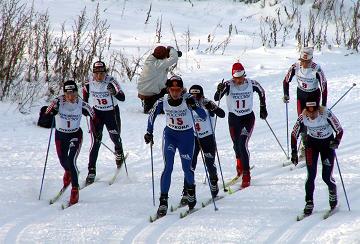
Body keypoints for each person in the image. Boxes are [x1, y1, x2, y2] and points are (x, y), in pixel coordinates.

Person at [144, 75, 206, 217]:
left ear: (182, 90)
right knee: (168, 167)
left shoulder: (188, 99)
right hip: (171, 136)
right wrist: (149, 131)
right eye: (172, 90)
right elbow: (151, 115)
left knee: (187, 168)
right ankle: (163, 201)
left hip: (187, 137)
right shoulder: (163, 100)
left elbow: (203, 116)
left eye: (178, 90)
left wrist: (194, 104)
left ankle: (191, 191)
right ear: (168, 89)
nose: (175, 93)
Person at [214, 62, 267, 188]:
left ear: (244, 75)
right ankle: (240, 167)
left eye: (241, 77)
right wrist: (219, 89)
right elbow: (217, 98)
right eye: (236, 78)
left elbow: (262, 92)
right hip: (234, 119)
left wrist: (263, 107)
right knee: (236, 146)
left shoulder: (251, 83)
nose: (239, 80)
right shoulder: (228, 84)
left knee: (242, 144)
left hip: (247, 118)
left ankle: (246, 174)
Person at [45, 80, 95, 205]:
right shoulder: (58, 101)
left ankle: (75, 189)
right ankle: (69, 172)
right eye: (68, 94)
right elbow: (46, 113)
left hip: (75, 135)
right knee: (63, 161)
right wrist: (52, 111)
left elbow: (93, 115)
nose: (71, 97)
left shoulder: (81, 103)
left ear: (77, 93)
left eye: (73, 94)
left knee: (71, 160)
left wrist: (93, 123)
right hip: (60, 135)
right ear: (64, 94)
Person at [290, 97, 343, 215]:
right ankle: (309, 202)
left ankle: (332, 193)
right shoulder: (303, 117)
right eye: (309, 112)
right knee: (311, 175)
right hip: (312, 145)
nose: (312, 114)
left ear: (318, 109)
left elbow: (339, 129)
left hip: (327, 146)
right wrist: (294, 152)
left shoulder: (326, 114)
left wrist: (336, 141)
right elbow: (294, 134)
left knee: (326, 177)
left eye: (314, 111)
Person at [179, 84, 225, 205]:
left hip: (207, 137)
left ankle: (214, 183)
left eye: (197, 94)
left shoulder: (206, 102)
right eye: (192, 94)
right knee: (190, 165)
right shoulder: (186, 105)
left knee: (210, 164)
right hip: (193, 138)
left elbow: (222, 114)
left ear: (201, 94)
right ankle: (186, 192)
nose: (194, 97)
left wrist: (212, 108)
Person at [83, 61, 126, 185]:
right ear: (93, 73)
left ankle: (119, 152)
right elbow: (85, 101)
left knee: (115, 137)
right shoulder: (88, 83)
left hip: (111, 113)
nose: (99, 76)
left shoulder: (111, 81)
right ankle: (91, 171)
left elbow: (122, 97)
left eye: (101, 73)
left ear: (105, 72)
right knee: (95, 142)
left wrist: (115, 92)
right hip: (97, 114)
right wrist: (85, 110)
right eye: (96, 73)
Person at [283, 46, 328, 159]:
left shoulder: (316, 69)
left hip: (313, 96)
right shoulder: (295, 67)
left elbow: (324, 87)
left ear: (311, 60)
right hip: (301, 95)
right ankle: (305, 145)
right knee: (302, 120)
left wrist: (323, 104)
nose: (304, 63)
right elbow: (286, 80)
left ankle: (314, 144)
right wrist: (286, 94)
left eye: (307, 61)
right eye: (302, 61)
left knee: (313, 119)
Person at [137, 46, 182, 113]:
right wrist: (171, 49)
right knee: (157, 109)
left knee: (172, 82)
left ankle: (152, 104)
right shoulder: (157, 65)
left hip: (150, 88)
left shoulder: (151, 60)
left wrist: (167, 53)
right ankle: (170, 105)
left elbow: (162, 58)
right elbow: (174, 58)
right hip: (150, 93)